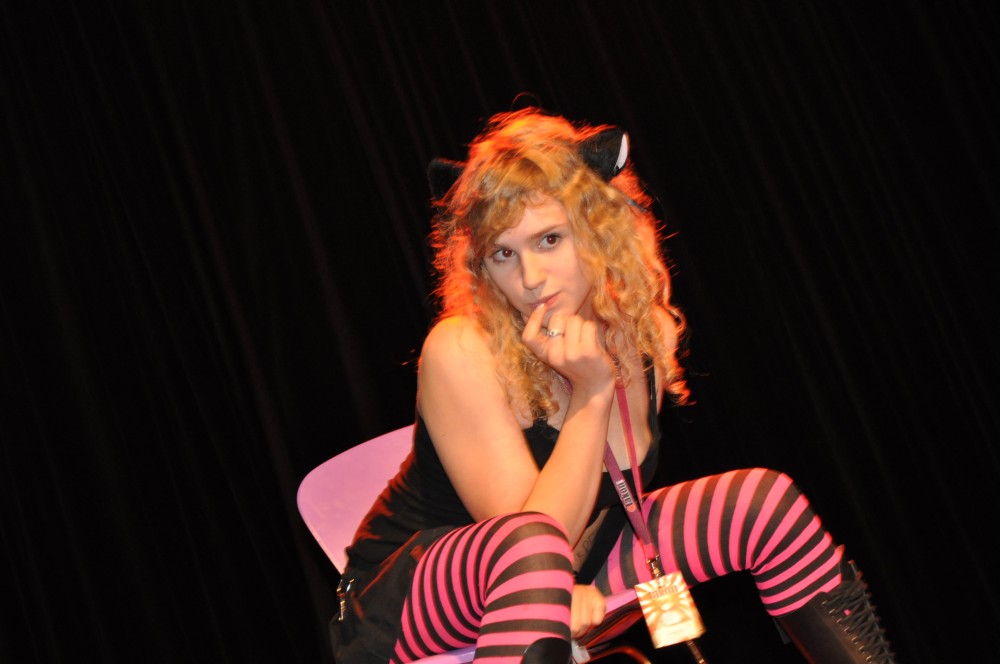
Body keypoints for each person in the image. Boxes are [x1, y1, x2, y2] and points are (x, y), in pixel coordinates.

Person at [332, 106, 895, 663]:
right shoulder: (460, 348)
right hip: (409, 602)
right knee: (532, 547)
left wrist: (600, 382)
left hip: (573, 567)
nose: (530, 278)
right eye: (504, 254)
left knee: (762, 501)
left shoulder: (639, 335)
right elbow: (536, 537)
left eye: (549, 240)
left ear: (597, 230)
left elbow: (602, 517)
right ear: (481, 267)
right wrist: (593, 392)